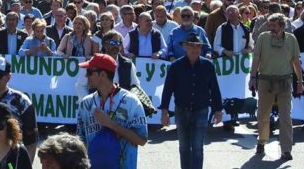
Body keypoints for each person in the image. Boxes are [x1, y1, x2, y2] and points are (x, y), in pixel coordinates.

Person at [160, 32, 223, 169]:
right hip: (181, 111)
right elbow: (167, 90)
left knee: (197, 147)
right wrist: (164, 111)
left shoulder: (208, 66)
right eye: (191, 46)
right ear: (185, 47)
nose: (194, 49)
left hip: (201, 110)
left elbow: (215, 88)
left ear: (201, 48)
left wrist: (218, 110)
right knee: (184, 147)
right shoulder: (175, 66)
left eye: (198, 46)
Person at [76, 53, 148, 169]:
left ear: (102, 74)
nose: (86, 77)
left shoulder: (131, 101)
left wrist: (111, 124)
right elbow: (80, 142)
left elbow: (141, 140)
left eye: (89, 72)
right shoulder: (85, 103)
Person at [249, 13, 304, 161]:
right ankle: (262, 141)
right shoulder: (263, 38)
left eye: (274, 25)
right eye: (269, 25)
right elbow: (256, 59)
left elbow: (296, 61)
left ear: (282, 26)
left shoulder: (291, 39)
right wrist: (252, 78)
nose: (271, 28)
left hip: (285, 81)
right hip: (265, 81)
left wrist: (300, 81)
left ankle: (286, 149)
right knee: (263, 114)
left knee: (285, 116)